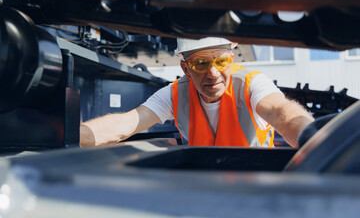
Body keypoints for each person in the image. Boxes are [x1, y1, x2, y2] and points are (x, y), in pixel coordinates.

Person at [80, 37, 314, 148]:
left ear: (231, 60)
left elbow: (280, 111)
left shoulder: (252, 84)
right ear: (185, 68)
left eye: (221, 62)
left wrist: (315, 140)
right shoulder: (174, 94)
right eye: (201, 64)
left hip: (253, 188)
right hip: (204, 185)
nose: (213, 73)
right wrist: (70, 135)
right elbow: (126, 123)